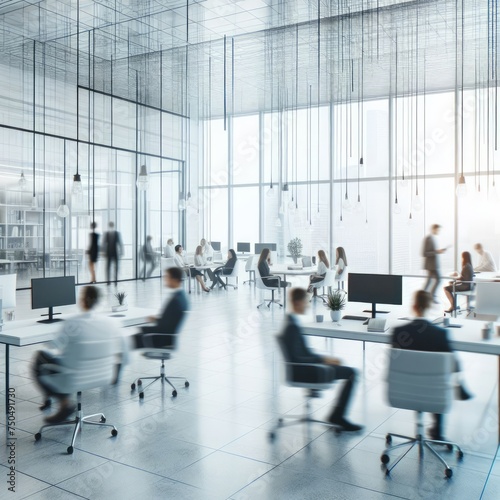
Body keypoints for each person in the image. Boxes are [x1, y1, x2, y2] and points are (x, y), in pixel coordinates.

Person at [32, 286, 128, 423]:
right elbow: (126, 353)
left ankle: (64, 403)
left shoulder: (72, 323)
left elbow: (54, 346)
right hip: (103, 376)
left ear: (83, 300)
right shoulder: (112, 323)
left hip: (74, 377)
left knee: (40, 358)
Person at [392, 290, 471, 441]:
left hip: (403, 389)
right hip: (433, 391)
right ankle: (438, 430)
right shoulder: (440, 334)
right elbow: (454, 364)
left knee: (427, 375)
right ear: (430, 307)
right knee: (440, 375)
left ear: (414, 306)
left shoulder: (398, 332)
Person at [280, 288, 363, 432]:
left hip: (303, 368)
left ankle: (337, 415)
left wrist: (325, 359)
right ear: (298, 303)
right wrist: (324, 360)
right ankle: (337, 416)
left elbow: (303, 353)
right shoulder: (292, 327)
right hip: (305, 371)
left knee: (346, 370)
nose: (308, 305)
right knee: (351, 373)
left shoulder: (291, 322)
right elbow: (298, 358)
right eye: (306, 302)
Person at [133, 267, 189, 348]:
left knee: (126, 340)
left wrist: (142, 329)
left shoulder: (175, 301)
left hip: (160, 339)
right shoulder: (180, 296)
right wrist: (156, 319)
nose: (165, 279)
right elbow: (169, 321)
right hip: (166, 337)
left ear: (175, 279)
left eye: (167, 277)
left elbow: (163, 328)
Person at [423, 224, 447, 303]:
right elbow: (424, 253)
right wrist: (437, 251)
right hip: (431, 266)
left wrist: (438, 251)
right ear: (433, 229)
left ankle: (423, 297)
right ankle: (431, 296)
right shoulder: (428, 239)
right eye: (438, 230)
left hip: (433, 265)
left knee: (429, 281)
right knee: (439, 280)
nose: (438, 231)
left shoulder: (433, 238)